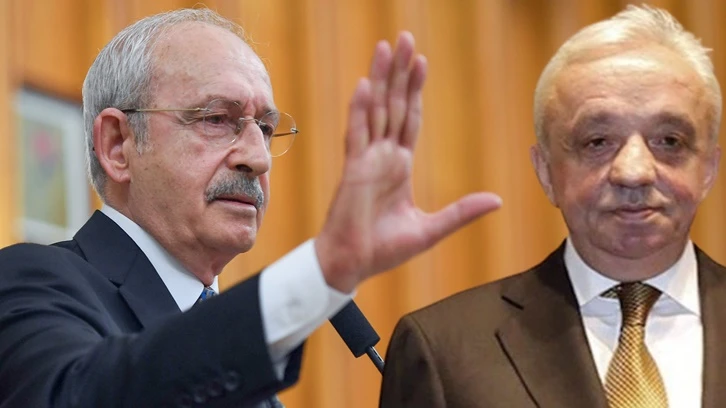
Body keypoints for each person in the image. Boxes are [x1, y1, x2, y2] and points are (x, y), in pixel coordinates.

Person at [0, 8, 502, 408]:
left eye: (264, 127)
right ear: (117, 145)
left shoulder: (248, 366)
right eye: (217, 119)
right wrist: (321, 271)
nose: (258, 157)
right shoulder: (31, 281)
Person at [380, 5, 725, 408]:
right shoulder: (443, 351)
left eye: (668, 141)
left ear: (708, 169)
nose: (634, 172)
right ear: (546, 172)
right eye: (598, 142)